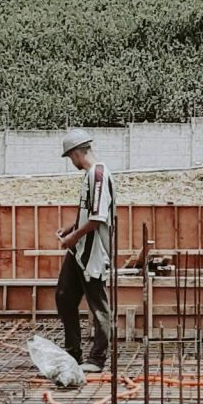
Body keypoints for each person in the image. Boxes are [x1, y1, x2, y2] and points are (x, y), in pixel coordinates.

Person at [56, 132, 117, 370]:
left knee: (98, 304)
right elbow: (87, 214)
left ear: (76, 152)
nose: (71, 162)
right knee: (64, 297)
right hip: (79, 250)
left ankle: (97, 359)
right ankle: (73, 353)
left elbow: (97, 218)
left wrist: (71, 238)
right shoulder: (90, 176)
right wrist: (70, 230)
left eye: (70, 156)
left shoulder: (99, 174)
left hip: (92, 252)